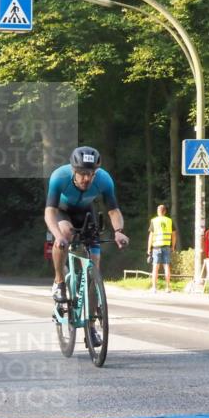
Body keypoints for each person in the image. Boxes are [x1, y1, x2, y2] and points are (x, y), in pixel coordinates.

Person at [45, 147, 128, 345]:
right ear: (73, 171)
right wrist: (57, 236)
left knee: (94, 269)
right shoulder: (59, 177)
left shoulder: (104, 180)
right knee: (64, 232)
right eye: (82, 174)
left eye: (90, 174)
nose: (86, 179)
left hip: (87, 213)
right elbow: (49, 212)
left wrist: (118, 231)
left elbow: (113, 210)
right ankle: (59, 281)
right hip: (62, 213)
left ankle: (90, 328)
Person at [147, 204, 176, 293]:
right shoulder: (169, 221)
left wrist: (149, 248)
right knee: (166, 266)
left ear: (158, 211)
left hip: (156, 247)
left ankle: (154, 288)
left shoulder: (154, 221)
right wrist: (173, 246)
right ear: (165, 211)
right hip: (167, 246)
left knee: (155, 267)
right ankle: (167, 287)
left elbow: (151, 236)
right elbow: (174, 235)